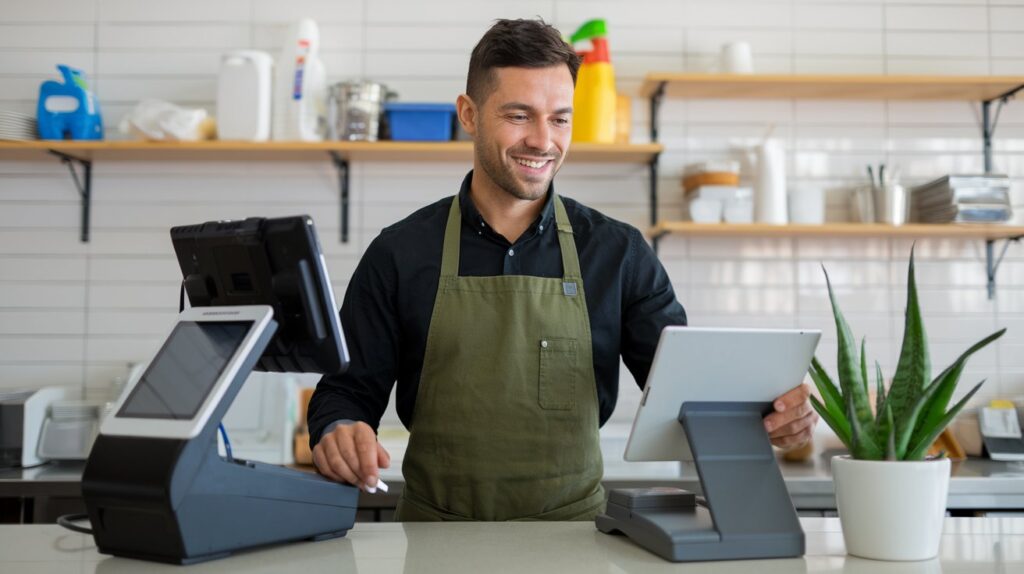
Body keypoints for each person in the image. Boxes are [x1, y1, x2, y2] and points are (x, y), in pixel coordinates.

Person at [307, 18, 817, 522]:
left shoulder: (619, 253)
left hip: (574, 538)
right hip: (434, 536)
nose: (542, 140)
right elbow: (345, 392)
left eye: (559, 118)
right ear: (469, 113)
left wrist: (768, 416)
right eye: (519, 115)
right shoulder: (400, 252)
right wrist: (338, 429)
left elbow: (690, 391)